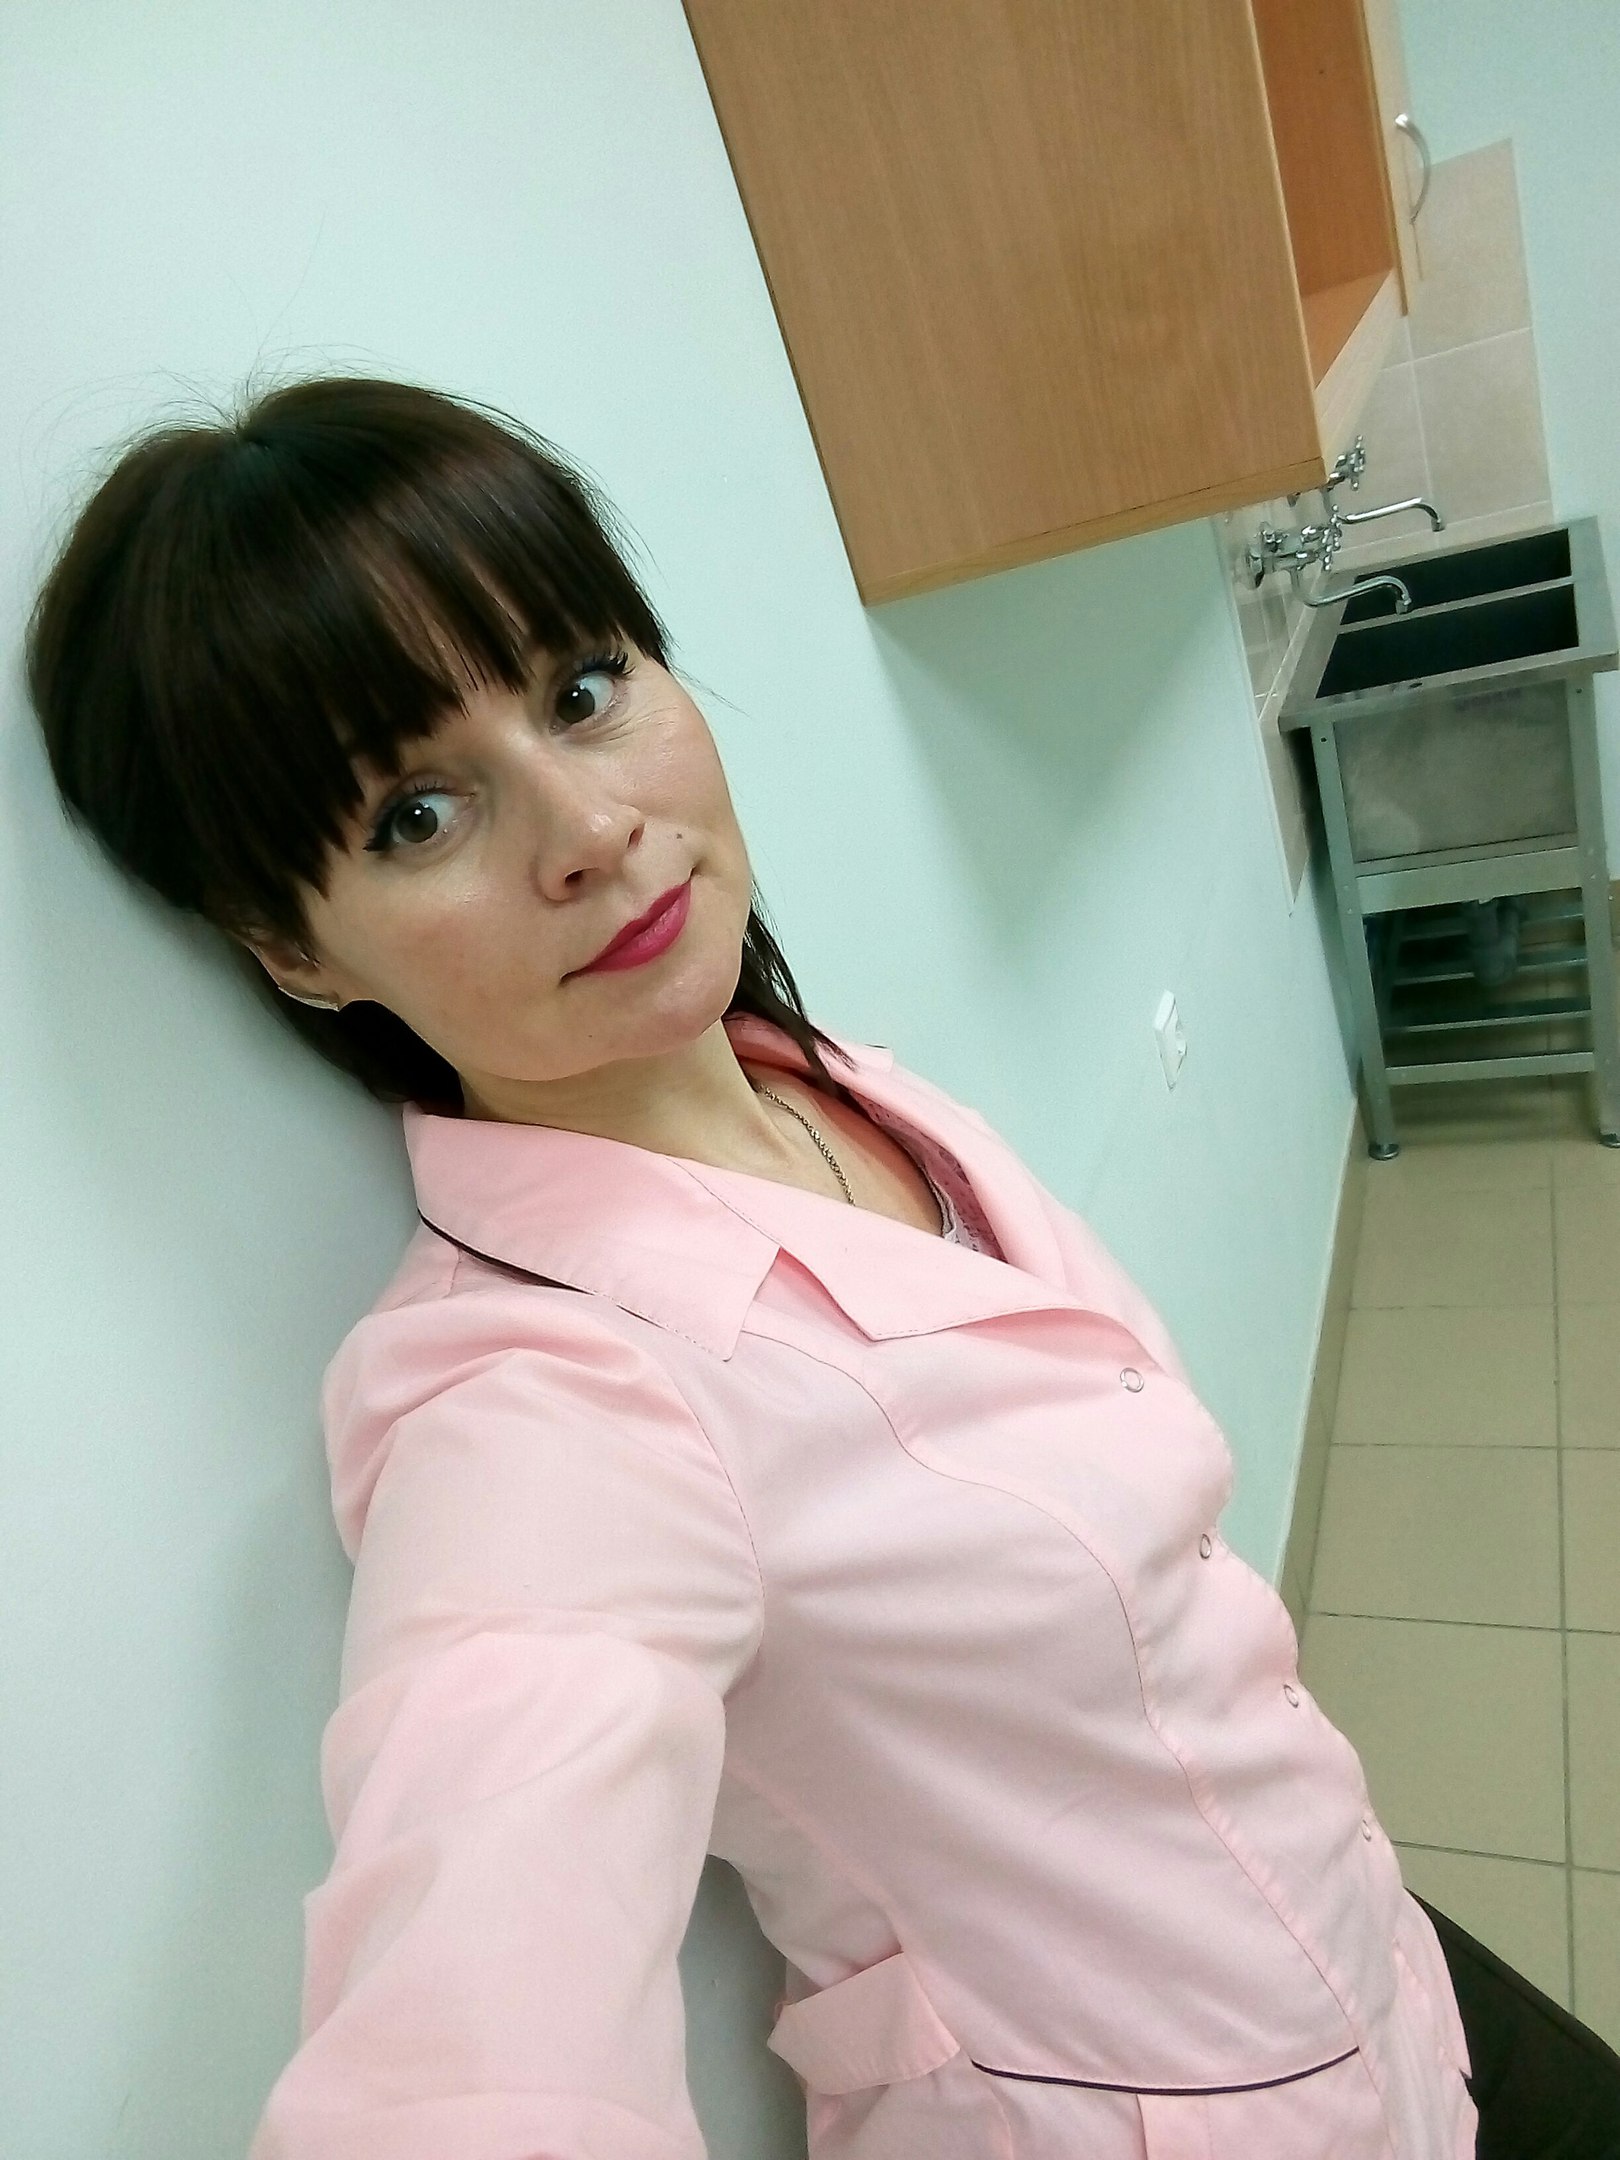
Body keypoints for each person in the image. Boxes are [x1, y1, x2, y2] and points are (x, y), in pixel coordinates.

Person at [24, 375, 1620, 2160]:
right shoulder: (539, 1404)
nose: (589, 830)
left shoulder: (817, 1079)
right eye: (415, 813)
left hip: (1364, 1938)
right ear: (297, 952)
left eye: (582, 689)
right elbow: (475, 1990)